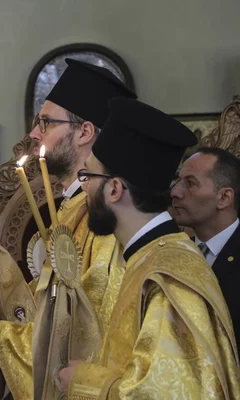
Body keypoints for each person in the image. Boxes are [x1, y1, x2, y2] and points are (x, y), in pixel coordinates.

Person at [60, 97, 240, 398]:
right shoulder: (150, 257)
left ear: (114, 189)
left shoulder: (168, 277)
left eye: (88, 176)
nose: (84, 188)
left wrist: (84, 381)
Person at [0, 59, 135, 399]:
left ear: (85, 132)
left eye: (46, 123)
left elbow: (87, 330)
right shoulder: (69, 207)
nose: (33, 134)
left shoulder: (103, 219)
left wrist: (1, 339)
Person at [171, 147, 240, 350]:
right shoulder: (176, 254)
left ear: (224, 198)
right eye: (178, 180)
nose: (175, 191)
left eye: (190, 183)